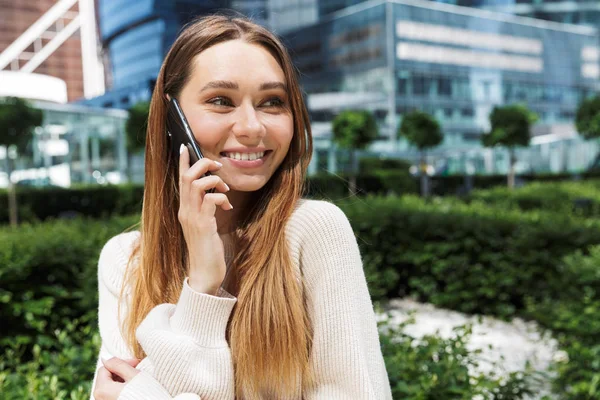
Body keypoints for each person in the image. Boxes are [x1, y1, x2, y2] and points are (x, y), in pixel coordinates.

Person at [91, 14, 392, 400]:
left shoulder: (313, 230)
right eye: (220, 101)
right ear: (172, 117)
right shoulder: (126, 259)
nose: (252, 127)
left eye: (272, 102)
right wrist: (202, 281)